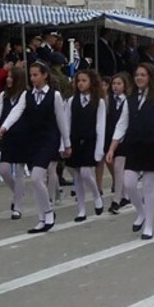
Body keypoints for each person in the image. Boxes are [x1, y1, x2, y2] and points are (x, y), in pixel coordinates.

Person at [107, 63, 154, 241]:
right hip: (133, 146)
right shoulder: (130, 99)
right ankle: (141, 212)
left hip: (151, 146)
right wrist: (112, 147)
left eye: (143, 75)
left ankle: (149, 224)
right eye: (137, 75)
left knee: (148, 188)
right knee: (128, 184)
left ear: (150, 78)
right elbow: (122, 124)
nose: (139, 78)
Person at [19, 62, 69, 234]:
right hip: (32, 140)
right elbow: (16, 111)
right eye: (31, 75)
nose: (33, 78)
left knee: (35, 178)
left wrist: (66, 143)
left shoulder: (54, 95)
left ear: (44, 75)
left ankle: (48, 212)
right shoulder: (27, 95)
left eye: (36, 75)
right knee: (36, 182)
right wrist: (3, 127)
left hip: (49, 140)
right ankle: (42, 218)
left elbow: (62, 121)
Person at [0, 64, 29, 220]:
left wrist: (3, 127)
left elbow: (18, 114)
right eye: (7, 77)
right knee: (4, 170)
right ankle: (18, 191)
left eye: (11, 77)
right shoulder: (3, 95)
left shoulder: (25, 95)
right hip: (8, 136)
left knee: (20, 171)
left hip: (22, 136)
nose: (8, 79)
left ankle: (17, 205)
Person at [63, 69, 107, 222]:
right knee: (77, 177)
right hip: (75, 141)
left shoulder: (98, 102)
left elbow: (100, 127)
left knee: (86, 173)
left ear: (91, 83)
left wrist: (99, 150)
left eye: (84, 80)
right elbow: (66, 123)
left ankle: (96, 195)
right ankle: (81, 209)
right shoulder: (71, 101)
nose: (80, 83)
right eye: (78, 81)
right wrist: (65, 144)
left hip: (90, 141)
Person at [103, 72, 132, 212]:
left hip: (124, 138)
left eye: (119, 84)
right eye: (114, 84)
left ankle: (117, 199)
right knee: (114, 167)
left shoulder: (128, 100)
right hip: (110, 137)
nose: (115, 86)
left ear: (125, 85)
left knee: (119, 167)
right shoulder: (108, 100)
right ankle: (125, 195)